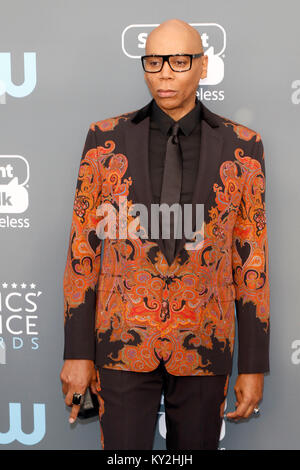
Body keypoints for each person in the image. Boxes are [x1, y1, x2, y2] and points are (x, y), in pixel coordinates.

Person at [60, 18, 270, 450]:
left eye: (178, 60)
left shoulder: (243, 146)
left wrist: (252, 365)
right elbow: (83, 251)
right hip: (120, 343)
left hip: (204, 343)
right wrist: (77, 352)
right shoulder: (105, 141)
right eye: (153, 61)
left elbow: (253, 262)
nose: (165, 73)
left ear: (203, 66)